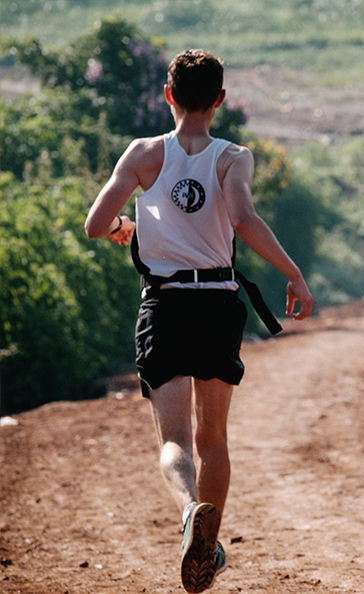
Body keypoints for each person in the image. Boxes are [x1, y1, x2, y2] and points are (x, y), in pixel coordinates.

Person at [84, 49, 313, 593]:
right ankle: (206, 548)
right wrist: (294, 274)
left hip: (162, 305)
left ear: (168, 95)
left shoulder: (142, 154)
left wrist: (125, 226)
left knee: (175, 442)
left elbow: (96, 224)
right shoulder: (233, 157)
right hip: (214, 303)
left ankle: (190, 511)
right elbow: (242, 219)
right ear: (220, 100)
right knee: (214, 437)